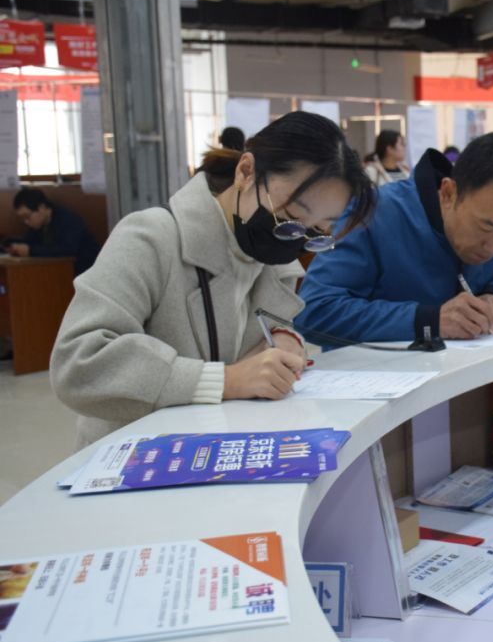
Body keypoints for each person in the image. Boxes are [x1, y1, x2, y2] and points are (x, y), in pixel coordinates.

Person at [50, 111, 375, 449]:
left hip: (219, 452)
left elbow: (249, 332)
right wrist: (225, 380)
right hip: (134, 459)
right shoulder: (151, 238)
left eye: (318, 230)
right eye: (291, 217)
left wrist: (283, 337)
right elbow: (79, 362)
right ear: (246, 171)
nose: (296, 239)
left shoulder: (272, 257)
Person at [295, 131, 493, 344]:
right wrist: (428, 320)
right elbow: (315, 311)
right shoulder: (374, 214)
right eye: (485, 228)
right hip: (376, 393)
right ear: (448, 194)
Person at [7, 188, 100, 275]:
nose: (26, 222)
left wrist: (30, 251)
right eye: (22, 218)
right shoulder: (38, 224)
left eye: (27, 217)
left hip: (83, 271)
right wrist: (13, 246)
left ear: (41, 207)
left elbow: (65, 251)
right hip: (59, 271)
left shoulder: (66, 220)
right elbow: (29, 241)